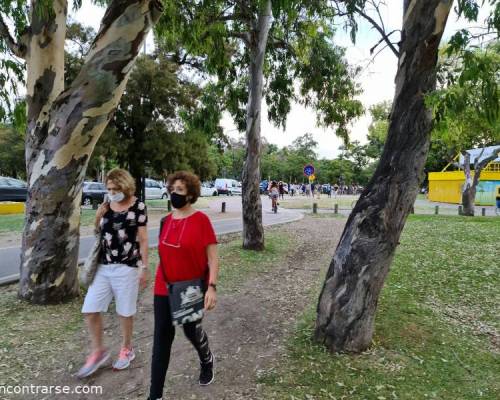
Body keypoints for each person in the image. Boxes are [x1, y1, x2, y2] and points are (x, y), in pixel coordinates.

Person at [148, 171, 219, 400]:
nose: (173, 194)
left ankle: (207, 359)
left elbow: (213, 258)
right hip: (164, 286)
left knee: (191, 331)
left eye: (179, 190)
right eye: (172, 189)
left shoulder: (201, 221)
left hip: (190, 288)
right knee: (161, 339)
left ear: (190, 195)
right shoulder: (165, 221)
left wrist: (211, 287)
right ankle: (155, 395)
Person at [77, 169, 149, 378]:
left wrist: (144, 267)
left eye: (115, 189)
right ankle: (98, 351)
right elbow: (99, 232)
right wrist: (98, 216)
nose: (111, 192)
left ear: (125, 187)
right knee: (90, 309)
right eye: (108, 189)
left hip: (127, 267)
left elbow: (143, 239)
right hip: (103, 266)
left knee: (125, 312)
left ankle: (127, 348)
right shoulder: (106, 205)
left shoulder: (139, 206)